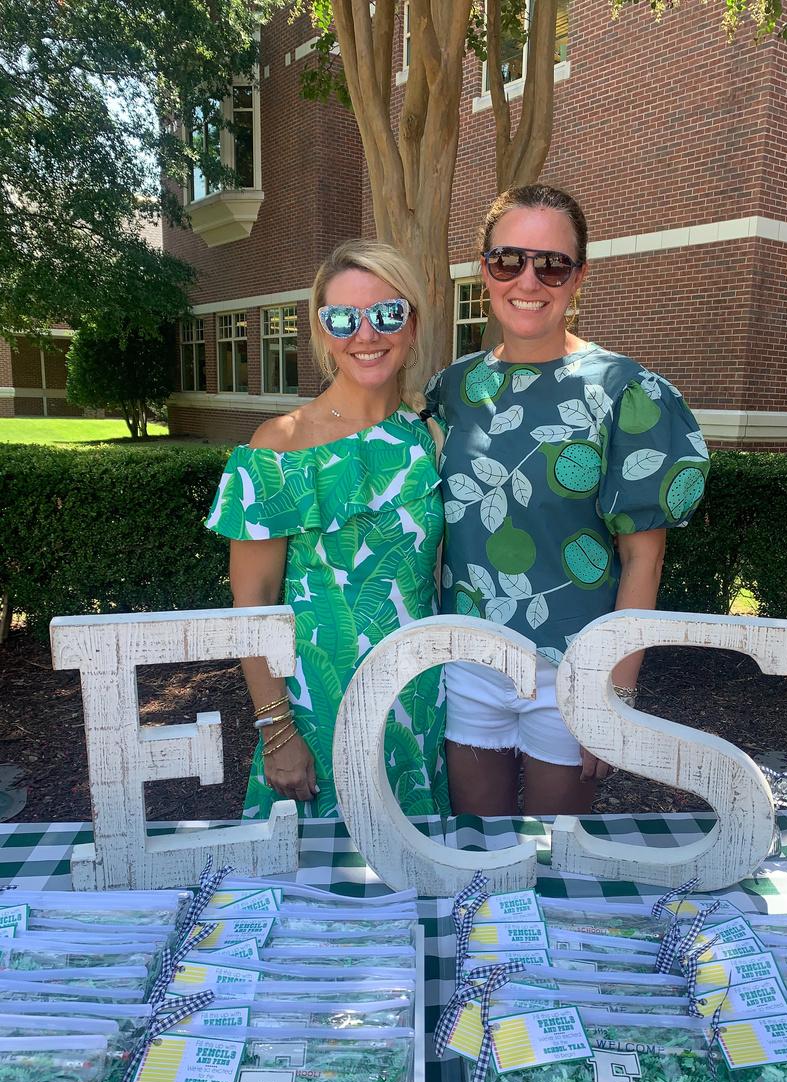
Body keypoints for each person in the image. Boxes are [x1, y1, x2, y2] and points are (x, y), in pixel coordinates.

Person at [425, 184, 709, 816]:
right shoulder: (453, 389)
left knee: (558, 854)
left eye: (552, 264)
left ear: (579, 276)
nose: (528, 280)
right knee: (477, 847)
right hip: (466, 657)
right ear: (484, 270)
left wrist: (616, 694)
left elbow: (643, 558)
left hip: (574, 669)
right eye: (509, 260)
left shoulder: (626, 392)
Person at [206, 240, 449, 819]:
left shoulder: (429, 436)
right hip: (315, 708)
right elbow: (252, 602)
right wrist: (276, 731)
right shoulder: (279, 446)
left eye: (386, 313)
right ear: (322, 331)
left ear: (413, 324)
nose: (366, 335)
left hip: (417, 702)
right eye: (342, 318)